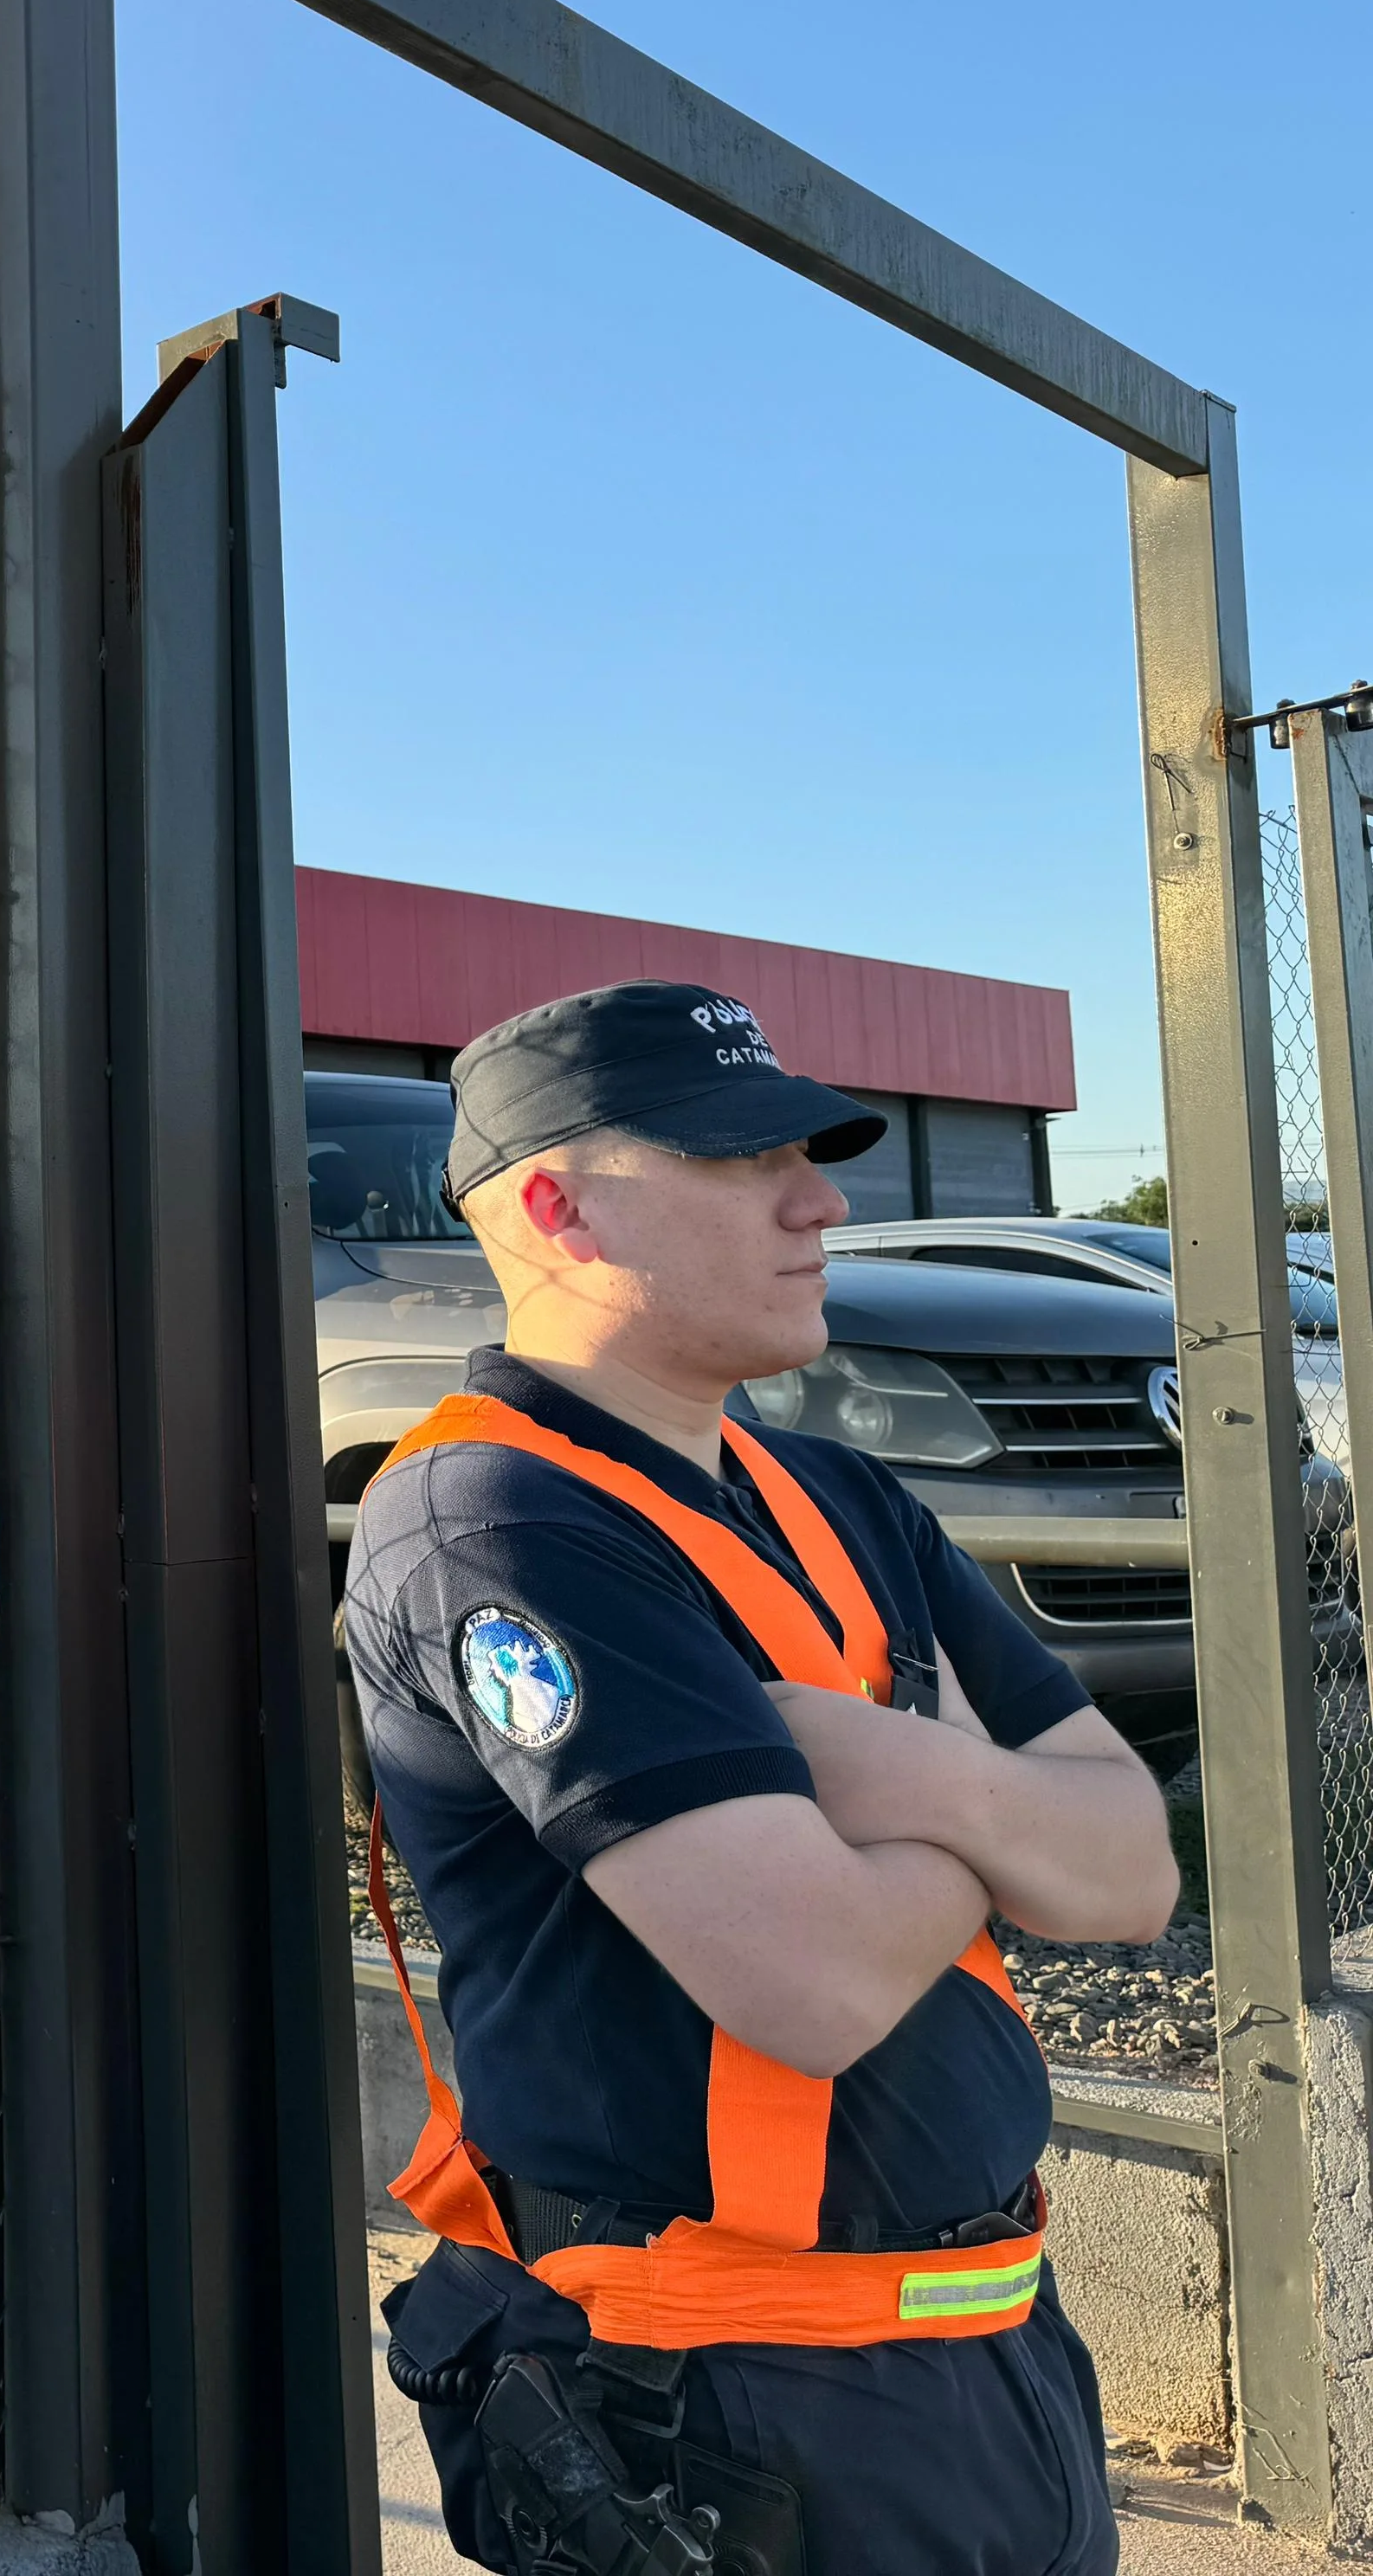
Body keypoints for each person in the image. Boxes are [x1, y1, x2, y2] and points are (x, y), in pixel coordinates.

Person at [345, 980, 1177, 2575]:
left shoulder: (844, 1497)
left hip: (990, 2355)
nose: (823, 1201)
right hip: (732, 2409)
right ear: (555, 1206)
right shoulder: (497, 1525)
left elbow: (1135, 1869)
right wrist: (1000, 1817)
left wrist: (889, 1767)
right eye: (742, 1163)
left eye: (806, 1151)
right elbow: (814, 1984)